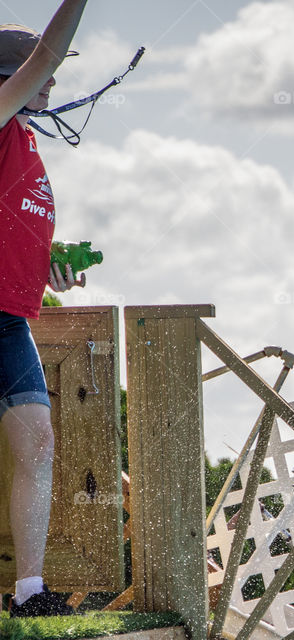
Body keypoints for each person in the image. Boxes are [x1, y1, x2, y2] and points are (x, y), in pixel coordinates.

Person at [0, 0, 90, 618]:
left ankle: (28, 594)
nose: (53, 82)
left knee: (37, 445)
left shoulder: (26, 140)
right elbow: (47, 54)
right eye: (43, 73)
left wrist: (49, 265)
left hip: (10, 319)